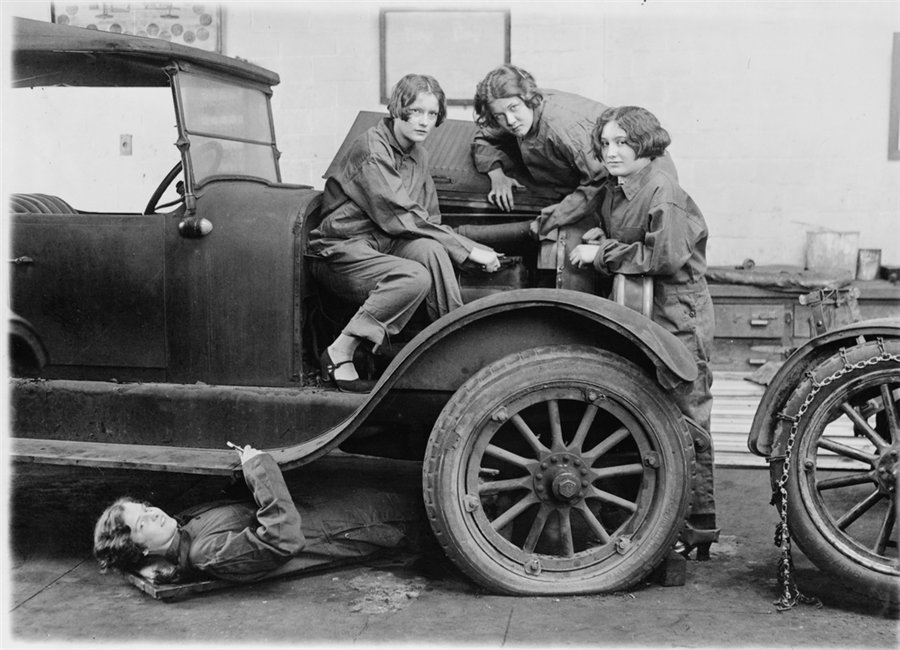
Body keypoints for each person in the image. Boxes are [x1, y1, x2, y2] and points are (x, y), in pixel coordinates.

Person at [568, 106, 718, 559]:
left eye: (622, 143)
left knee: (687, 410)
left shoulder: (661, 190)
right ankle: (660, 521)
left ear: (645, 145)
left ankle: (699, 525)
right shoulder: (617, 188)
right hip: (643, 308)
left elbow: (663, 258)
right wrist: (600, 235)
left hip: (678, 311)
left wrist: (600, 255)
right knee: (648, 408)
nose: (611, 152)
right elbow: (625, 233)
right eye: (605, 144)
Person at [308, 73, 501, 392]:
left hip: (384, 244)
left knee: (431, 249)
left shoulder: (418, 154)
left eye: (432, 113)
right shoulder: (372, 148)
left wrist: (466, 248)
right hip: (341, 249)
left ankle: (455, 345)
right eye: (416, 111)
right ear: (398, 108)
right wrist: (467, 249)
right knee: (414, 277)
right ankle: (340, 349)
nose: (424, 121)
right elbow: (398, 213)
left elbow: (429, 218)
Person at [93, 444, 417, 584]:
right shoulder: (203, 553)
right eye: (142, 522)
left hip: (328, 511)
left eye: (146, 507)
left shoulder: (184, 525)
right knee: (418, 509)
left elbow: (235, 514)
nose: (153, 513)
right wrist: (257, 468)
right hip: (353, 527)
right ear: (141, 549)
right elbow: (282, 539)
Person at [471, 64, 609, 236]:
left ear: (528, 98)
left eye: (514, 108)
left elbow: (598, 183)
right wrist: (497, 175)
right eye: (499, 116)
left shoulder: (562, 127)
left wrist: (548, 221)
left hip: (611, 194)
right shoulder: (511, 109)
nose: (510, 121)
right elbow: (483, 137)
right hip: (571, 189)